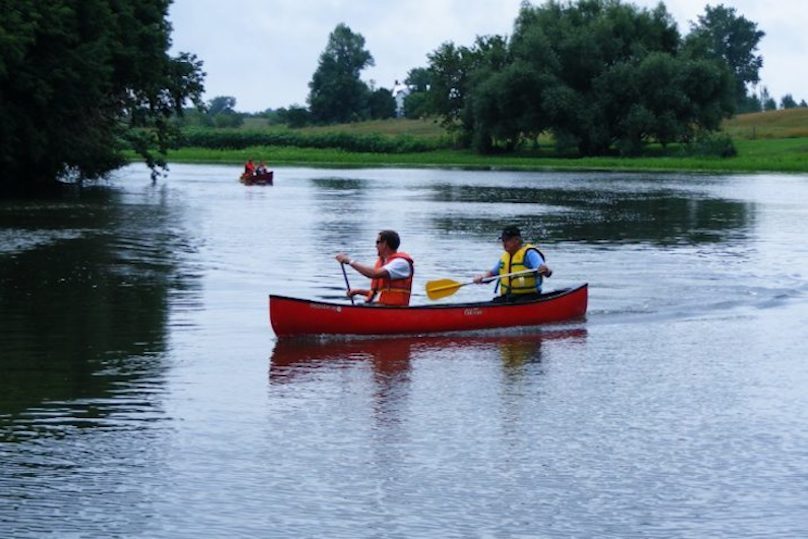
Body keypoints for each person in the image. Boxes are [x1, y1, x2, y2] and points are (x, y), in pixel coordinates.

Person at [474, 225, 552, 302]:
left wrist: (545, 270)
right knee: (496, 301)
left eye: (507, 240)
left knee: (521, 302)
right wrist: (481, 278)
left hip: (529, 296)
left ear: (517, 240)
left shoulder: (529, 254)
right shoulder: (504, 258)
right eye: (503, 240)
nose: (504, 244)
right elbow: (492, 274)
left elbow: (545, 270)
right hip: (508, 297)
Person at [335, 230, 414, 306]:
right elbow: (378, 294)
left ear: (385, 244)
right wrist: (358, 291)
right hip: (380, 307)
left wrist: (349, 261)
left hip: (392, 309)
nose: (375, 246)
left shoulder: (400, 263)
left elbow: (374, 273)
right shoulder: (385, 263)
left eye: (377, 242)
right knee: (362, 305)